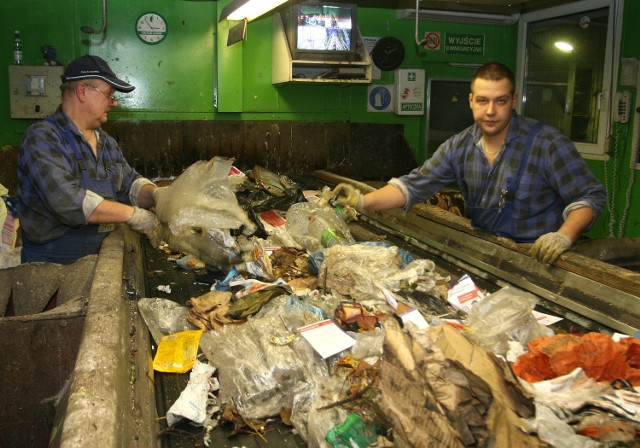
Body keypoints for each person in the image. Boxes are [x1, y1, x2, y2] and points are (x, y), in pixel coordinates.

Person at [333, 62, 606, 265]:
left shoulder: (546, 144)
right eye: (483, 100)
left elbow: (589, 196)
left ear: (513, 101)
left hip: (541, 261)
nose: (490, 111)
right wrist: (361, 202)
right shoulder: (459, 147)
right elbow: (412, 186)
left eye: (500, 101)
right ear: (471, 101)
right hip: (488, 257)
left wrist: (563, 236)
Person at [18, 55, 161, 264]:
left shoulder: (106, 142)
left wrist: (158, 196)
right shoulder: (42, 137)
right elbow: (68, 202)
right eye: (109, 94)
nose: (114, 102)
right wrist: (133, 215)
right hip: (51, 265)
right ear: (82, 91)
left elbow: (129, 185)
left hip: (99, 257)